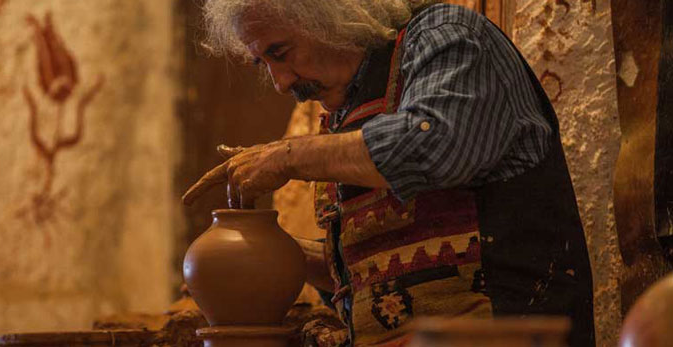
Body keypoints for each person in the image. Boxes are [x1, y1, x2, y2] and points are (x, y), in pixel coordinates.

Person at [183, 0, 596, 346]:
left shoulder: (448, 38)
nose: (279, 82)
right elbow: (382, 271)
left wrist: (286, 156)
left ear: (329, 16)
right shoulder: (342, 112)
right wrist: (274, 256)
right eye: (262, 62)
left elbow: (435, 145)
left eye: (280, 52)